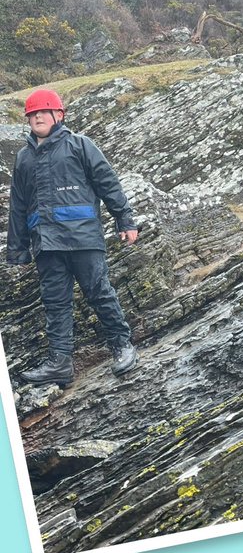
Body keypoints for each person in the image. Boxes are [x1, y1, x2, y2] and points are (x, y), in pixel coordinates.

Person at [5, 89, 139, 384]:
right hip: (46, 245)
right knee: (55, 303)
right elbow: (17, 206)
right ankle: (60, 364)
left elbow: (108, 183)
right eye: (32, 114)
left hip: (84, 239)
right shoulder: (24, 158)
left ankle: (122, 346)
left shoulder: (80, 145)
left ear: (59, 115)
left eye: (43, 112)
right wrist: (17, 251)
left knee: (99, 293)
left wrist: (125, 221)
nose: (37, 117)